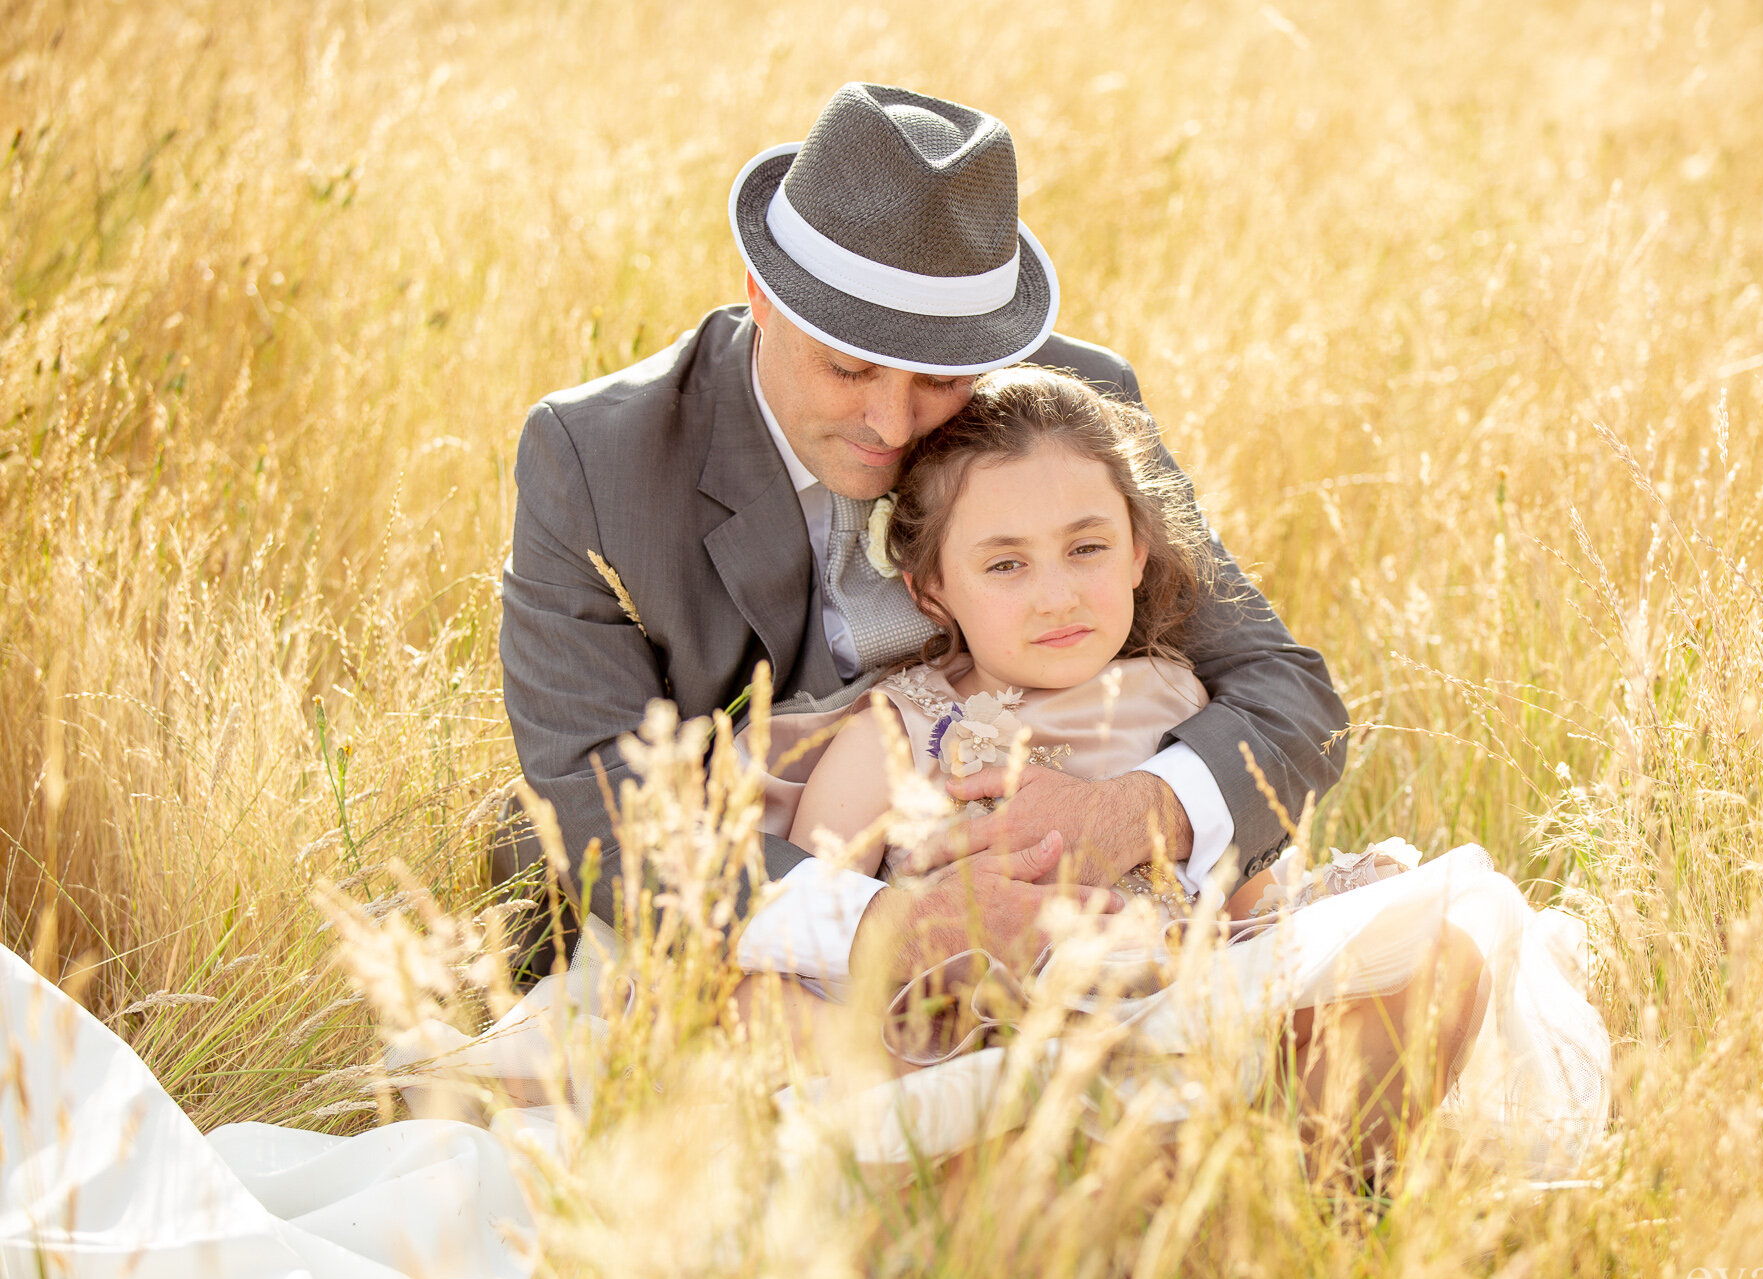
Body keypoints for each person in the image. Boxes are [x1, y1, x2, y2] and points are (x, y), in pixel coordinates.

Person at [497, 82, 1347, 990]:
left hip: (1079, 917)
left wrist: (1141, 811)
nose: (894, 424)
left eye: (942, 378)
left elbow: (1285, 689)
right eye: (848, 367)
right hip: (759, 925)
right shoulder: (596, 457)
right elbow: (602, 803)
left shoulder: (1063, 407)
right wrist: (889, 925)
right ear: (762, 297)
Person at [730, 366, 1609, 1172]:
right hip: (992, 1047)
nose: (1059, 594)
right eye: (1005, 564)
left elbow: (1245, 903)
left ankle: (1325, 1194)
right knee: (1031, 1116)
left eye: (1088, 548)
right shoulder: (901, 733)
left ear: (1139, 551)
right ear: (932, 591)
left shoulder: (1171, 698)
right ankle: (1161, 1210)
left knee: (1438, 941)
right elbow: (813, 930)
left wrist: (1196, 946)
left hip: (1175, 1005)